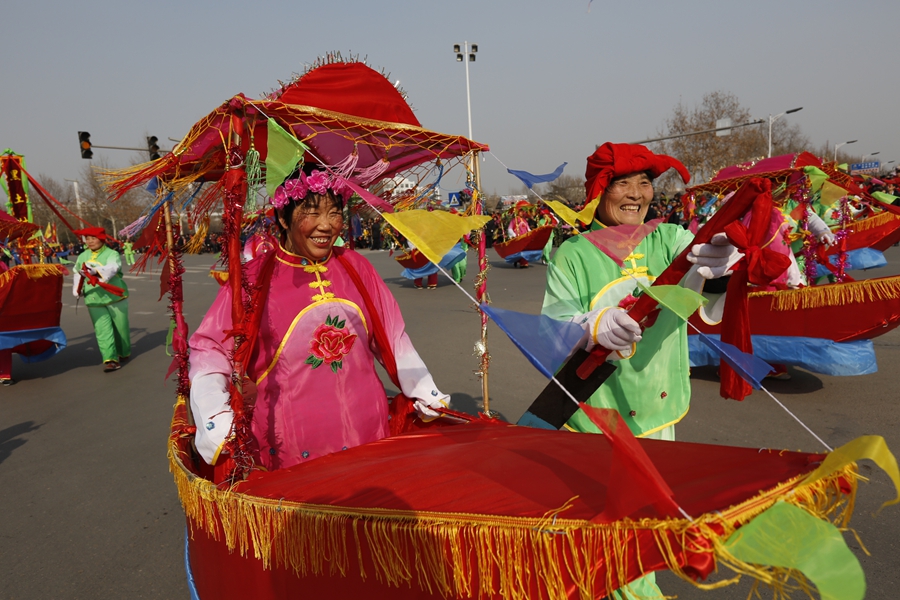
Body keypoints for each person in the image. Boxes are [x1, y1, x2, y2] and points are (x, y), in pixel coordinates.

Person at [541, 143, 738, 599]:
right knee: (611, 527)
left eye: (644, 182)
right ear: (599, 191)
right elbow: (554, 326)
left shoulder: (668, 238)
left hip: (656, 407)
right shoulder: (572, 253)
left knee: (645, 520)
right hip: (596, 412)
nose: (635, 193)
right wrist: (591, 325)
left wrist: (721, 266)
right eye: (622, 183)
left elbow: (702, 290)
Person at [189, 166, 450, 472]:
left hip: (368, 431)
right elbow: (210, 351)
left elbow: (393, 336)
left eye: (335, 213)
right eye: (311, 212)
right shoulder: (253, 279)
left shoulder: (356, 266)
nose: (326, 225)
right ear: (283, 218)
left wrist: (424, 389)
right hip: (289, 444)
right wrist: (213, 412)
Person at [73, 227, 131, 372]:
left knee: (121, 329)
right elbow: (77, 272)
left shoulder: (112, 254)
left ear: (102, 239)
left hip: (115, 296)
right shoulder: (83, 256)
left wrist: (95, 271)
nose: (90, 241)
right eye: (88, 238)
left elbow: (112, 268)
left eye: (93, 238)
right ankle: (110, 359)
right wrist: (76, 288)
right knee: (102, 330)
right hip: (93, 298)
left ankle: (123, 352)